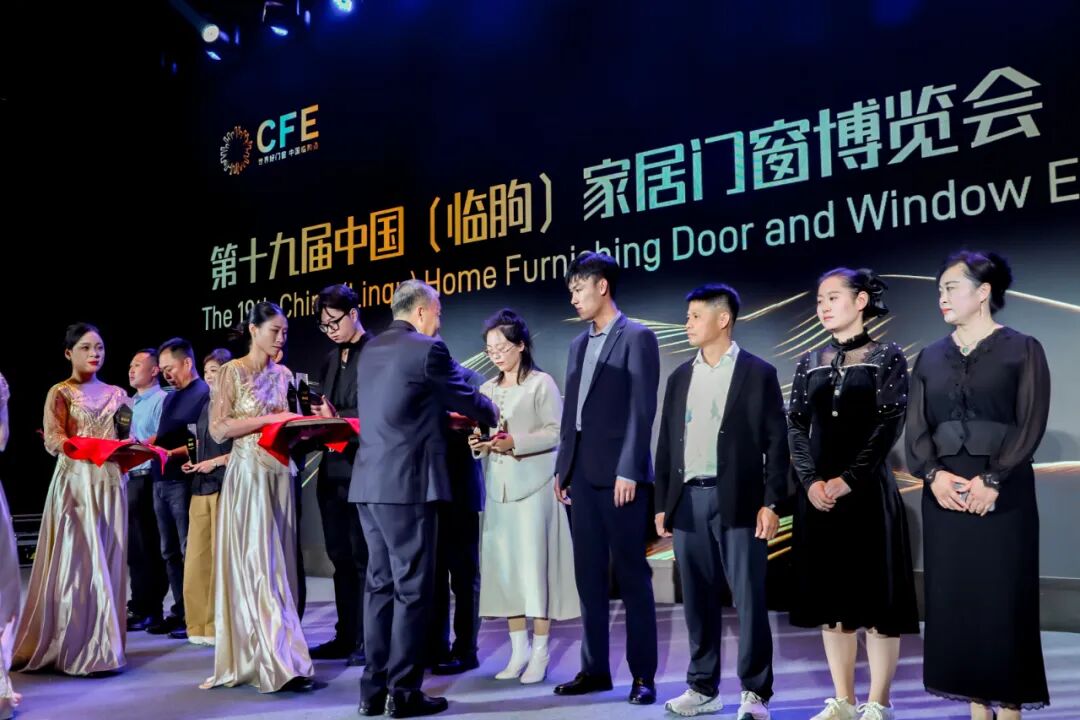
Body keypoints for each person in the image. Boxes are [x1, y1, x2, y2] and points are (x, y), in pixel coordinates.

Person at [906, 251, 1050, 720]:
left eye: (951, 288)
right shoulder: (929, 356)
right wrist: (933, 475)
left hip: (1003, 492)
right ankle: (975, 710)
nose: (942, 297)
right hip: (945, 494)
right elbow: (917, 428)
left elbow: (1030, 421)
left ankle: (1008, 710)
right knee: (959, 602)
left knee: (1003, 602)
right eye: (939, 290)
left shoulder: (1022, 348)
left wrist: (994, 479)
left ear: (983, 291)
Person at [350, 280, 497, 718]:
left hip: (369, 485)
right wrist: (490, 412)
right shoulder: (427, 350)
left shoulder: (370, 350)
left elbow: (402, 405)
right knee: (413, 589)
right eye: (438, 313)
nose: (439, 321)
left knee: (380, 587)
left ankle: (372, 692)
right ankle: (404, 693)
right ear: (420, 311)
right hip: (407, 485)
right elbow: (466, 398)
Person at [788, 269, 918, 720]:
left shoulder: (887, 356)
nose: (823, 306)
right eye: (819, 299)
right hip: (820, 497)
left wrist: (849, 479)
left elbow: (889, 424)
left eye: (833, 297)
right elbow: (796, 426)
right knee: (833, 604)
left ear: (861, 301)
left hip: (867, 495)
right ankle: (842, 700)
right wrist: (810, 481)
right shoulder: (809, 360)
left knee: (877, 602)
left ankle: (879, 701)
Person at [654, 284, 788, 719]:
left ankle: (756, 692)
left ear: (723, 319)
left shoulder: (758, 372)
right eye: (687, 316)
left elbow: (777, 443)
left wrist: (772, 502)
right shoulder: (680, 377)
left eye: (695, 316)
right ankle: (702, 686)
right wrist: (663, 503)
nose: (687, 324)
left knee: (749, 598)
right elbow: (666, 445)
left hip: (741, 500)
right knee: (696, 599)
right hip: (688, 501)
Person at [552, 251, 660, 706]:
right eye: (571, 291)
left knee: (632, 578)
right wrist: (563, 467)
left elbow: (642, 407)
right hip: (581, 475)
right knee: (588, 578)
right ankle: (594, 669)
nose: (574, 297)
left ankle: (643, 675)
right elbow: (571, 415)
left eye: (579, 288)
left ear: (602, 286)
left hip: (621, 477)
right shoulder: (578, 345)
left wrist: (629, 468)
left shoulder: (637, 336)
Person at [201, 303, 314, 693]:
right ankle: (268, 658)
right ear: (253, 330)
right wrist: (270, 420)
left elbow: (292, 424)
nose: (281, 338)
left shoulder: (285, 375)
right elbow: (219, 429)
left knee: (281, 565)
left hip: (280, 473)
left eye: (285, 332)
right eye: (274, 331)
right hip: (248, 475)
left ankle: (286, 654)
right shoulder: (231, 372)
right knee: (257, 563)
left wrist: (309, 423)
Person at [13, 323, 132, 675]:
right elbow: (53, 439)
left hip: (110, 482)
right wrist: (85, 447)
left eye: (100, 347)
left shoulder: (118, 393)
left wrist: (132, 448)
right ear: (69, 353)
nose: (95, 353)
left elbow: (126, 434)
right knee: (78, 562)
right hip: (75, 483)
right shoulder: (61, 392)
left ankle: (104, 645)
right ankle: (71, 643)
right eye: (86, 347)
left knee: (107, 558)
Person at [469, 309, 578, 685]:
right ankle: (518, 651)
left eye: (502, 347)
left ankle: (541, 652)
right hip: (499, 491)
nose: (496, 355)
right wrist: (478, 443)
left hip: (535, 488)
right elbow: (483, 435)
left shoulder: (540, 384)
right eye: (490, 349)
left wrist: (515, 441)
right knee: (505, 573)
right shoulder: (487, 389)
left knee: (534, 572)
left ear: (521, 345)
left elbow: (556, 432)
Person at [308, 284, 371, 666]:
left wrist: (337, 415)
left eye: (334, 322)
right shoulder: (330, 358)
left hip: (362, 467)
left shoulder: (374, 353)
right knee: (339, 556)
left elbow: (375, 409)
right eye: (324, 325)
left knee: (364, 557)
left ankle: (367, 638)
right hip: (330, 470)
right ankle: (345, 634)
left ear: (353, 314)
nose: (330, 330)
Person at [179, 348, 233, 646]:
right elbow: (201, 442)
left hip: (225, 485)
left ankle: (218, 625)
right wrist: (195, 460)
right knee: (197, 558)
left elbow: (245, 449)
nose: (210, 376)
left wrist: (216, 462)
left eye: (216, 371)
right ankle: (197, 625)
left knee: (220, 559)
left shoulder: (236, 404)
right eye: (208, 371)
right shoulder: (206, 404)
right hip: (200, 485)